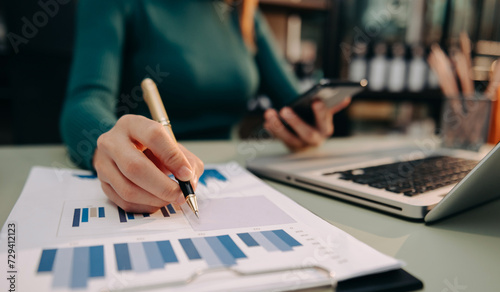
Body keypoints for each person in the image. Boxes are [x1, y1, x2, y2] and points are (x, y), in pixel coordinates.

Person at [60, 0, 350, 213]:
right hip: (151, 166)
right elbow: (85, 99)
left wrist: (311, 123)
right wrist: (106, 143)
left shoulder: (242, 8)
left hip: (235, 172)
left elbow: (291, 101)